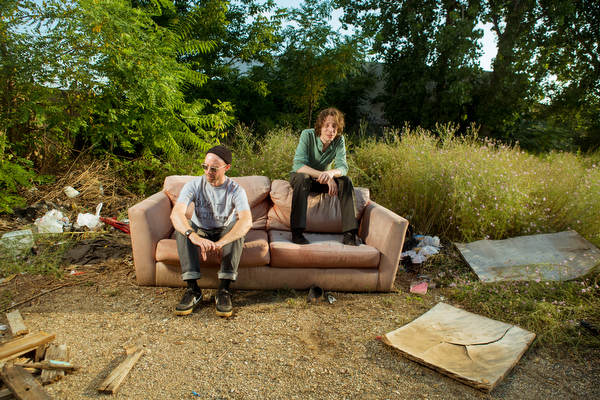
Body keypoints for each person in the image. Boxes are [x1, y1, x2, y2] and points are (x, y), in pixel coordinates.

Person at [170, 145, 252, 317]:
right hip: (201, 230)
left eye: (213, 169)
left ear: (227, 168)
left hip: (223, 231)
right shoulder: (193, 185)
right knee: (182, 227)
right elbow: (176, 214)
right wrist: (193, 236)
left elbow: (246, 221)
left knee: (237, 228)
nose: (208, 171)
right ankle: (193, 290)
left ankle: (223, 291)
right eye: (205, 167)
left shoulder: (235, 189)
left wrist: (220, 243)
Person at [289, 107, 359, 246]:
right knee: (303, 178)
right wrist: (326, 176)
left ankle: (350, 234)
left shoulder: (339, 140)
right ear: (320, 126)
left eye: (334, 126)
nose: (330, 130)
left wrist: (331, 174)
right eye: (326, 125)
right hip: (303, 177)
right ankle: (297, 232)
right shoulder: (307, 135)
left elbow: (342, 167)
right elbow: (298, 166)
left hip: (323, 180)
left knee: (346, 181)